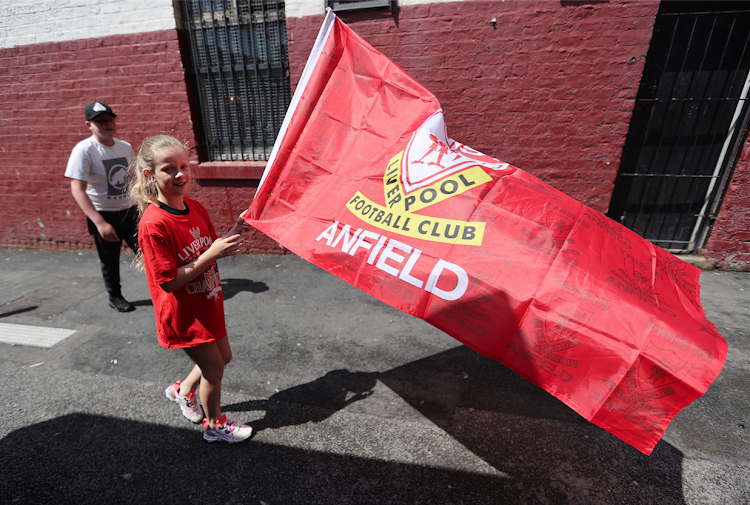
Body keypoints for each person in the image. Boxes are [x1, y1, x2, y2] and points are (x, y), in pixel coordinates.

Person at [128, 134, 253, 443]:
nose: (180, 174)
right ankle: (214, 426)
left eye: (184, 166)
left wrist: (233, 233)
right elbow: (168, 280)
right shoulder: (154, 224)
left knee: (223, 358)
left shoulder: (195, 207)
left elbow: (207, 248)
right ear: (150, 175)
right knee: (214, 370)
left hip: (207, 302)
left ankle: (183, 390)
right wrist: (211, 255)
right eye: (169, 169)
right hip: (183, 315)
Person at [65, 101, 139, 312]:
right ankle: (114, 296)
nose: (107, 124)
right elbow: (77, 189)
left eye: (109, 119)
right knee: (109, 260)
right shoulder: (84, 150)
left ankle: (164, 288)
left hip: (130, 212)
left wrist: (141, 206)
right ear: (89, 125)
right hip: (103, 214)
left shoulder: (125, 147)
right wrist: (99, 222)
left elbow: (134, 180)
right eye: (100, 121)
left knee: (148, 253)